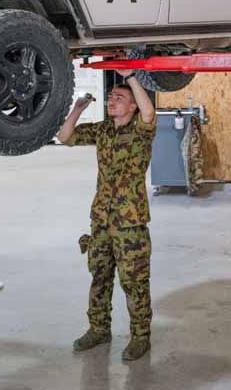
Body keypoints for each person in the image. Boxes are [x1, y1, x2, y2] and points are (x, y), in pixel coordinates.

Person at [57, 69, 157, 361]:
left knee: (134, 283)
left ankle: (141, 337)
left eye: (119, 98)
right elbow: (65, 137)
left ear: (133, 106)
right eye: (110, 97)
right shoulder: (102, 130)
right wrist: (77, 109)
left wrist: (132, 78)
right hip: (101, 219)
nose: (112, 101)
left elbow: (149, 112)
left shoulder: (141, 131)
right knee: (99, 277)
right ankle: (99, 329)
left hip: (130, 223)